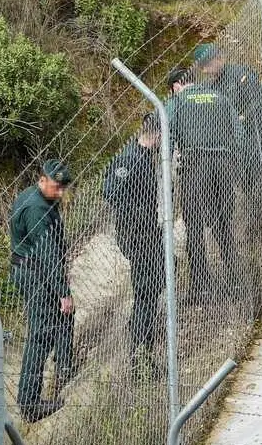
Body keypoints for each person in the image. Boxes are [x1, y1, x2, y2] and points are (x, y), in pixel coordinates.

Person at [166, 67, 246, 297]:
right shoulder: (220, 97)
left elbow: (168, 136)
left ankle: (201, 285)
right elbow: (238, 132)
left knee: (194, 227)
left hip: (195, 166)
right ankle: (235, 280)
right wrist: (231, 158)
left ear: (176, 86)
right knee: (223, 225)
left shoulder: (177, 102)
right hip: (223, 164)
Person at [9, 159, 75, 423]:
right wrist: (63, 291)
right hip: (35, 274)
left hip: (37, 269)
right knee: (40, 335)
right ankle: (30, 402)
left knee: (62, 319)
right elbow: (47, 255)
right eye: (56, 187)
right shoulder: (36, 209)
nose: (60, 194)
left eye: (63, 188)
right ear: (43, 179)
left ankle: (65, 365)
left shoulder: (38, 197)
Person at [102, 113, 165, 373]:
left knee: (154, 286)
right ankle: (139, 355)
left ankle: (144, 347)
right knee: (145, 290)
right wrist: (136, 212)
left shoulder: (144, 158)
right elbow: (110, 192)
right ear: (157, 135)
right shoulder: (130, 158)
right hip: (137, 235)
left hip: (149, 232)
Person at [195, 43, 262, 231]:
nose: (205, 69)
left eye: (207, 64)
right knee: (242, 190)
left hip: (253, 140)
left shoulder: (240, 74)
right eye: (202, 66)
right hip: (229, 150)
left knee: (257, 187)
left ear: (218, 58)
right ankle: (251, 227)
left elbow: (258, 103)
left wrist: (239, 120)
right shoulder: (207, 87)